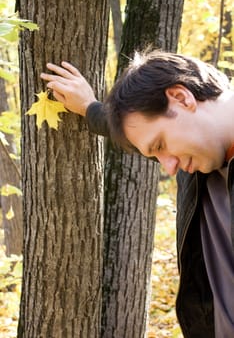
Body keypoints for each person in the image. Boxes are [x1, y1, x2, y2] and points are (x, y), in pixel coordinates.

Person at [40, 50, 234, 338]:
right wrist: (89, 108)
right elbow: (142, 132)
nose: (168, 166)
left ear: (182, 98)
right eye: (155, 152)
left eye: (160, 145)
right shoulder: (198, 151)